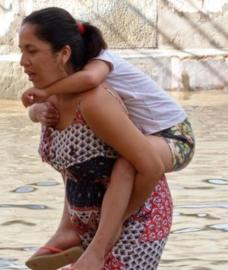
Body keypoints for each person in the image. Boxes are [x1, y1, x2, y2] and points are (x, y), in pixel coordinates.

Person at [19, 7, 186, 270]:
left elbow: (150, 166)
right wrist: (36, 110)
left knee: (126, 163)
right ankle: (68, 232)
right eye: (21, 51)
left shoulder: (95, 98)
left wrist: (102, 243)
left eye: (32, 51)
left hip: (134, 222)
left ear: (64, 53)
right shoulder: (51, 102)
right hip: (91, 228)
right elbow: (75, 166)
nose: (22, 62)